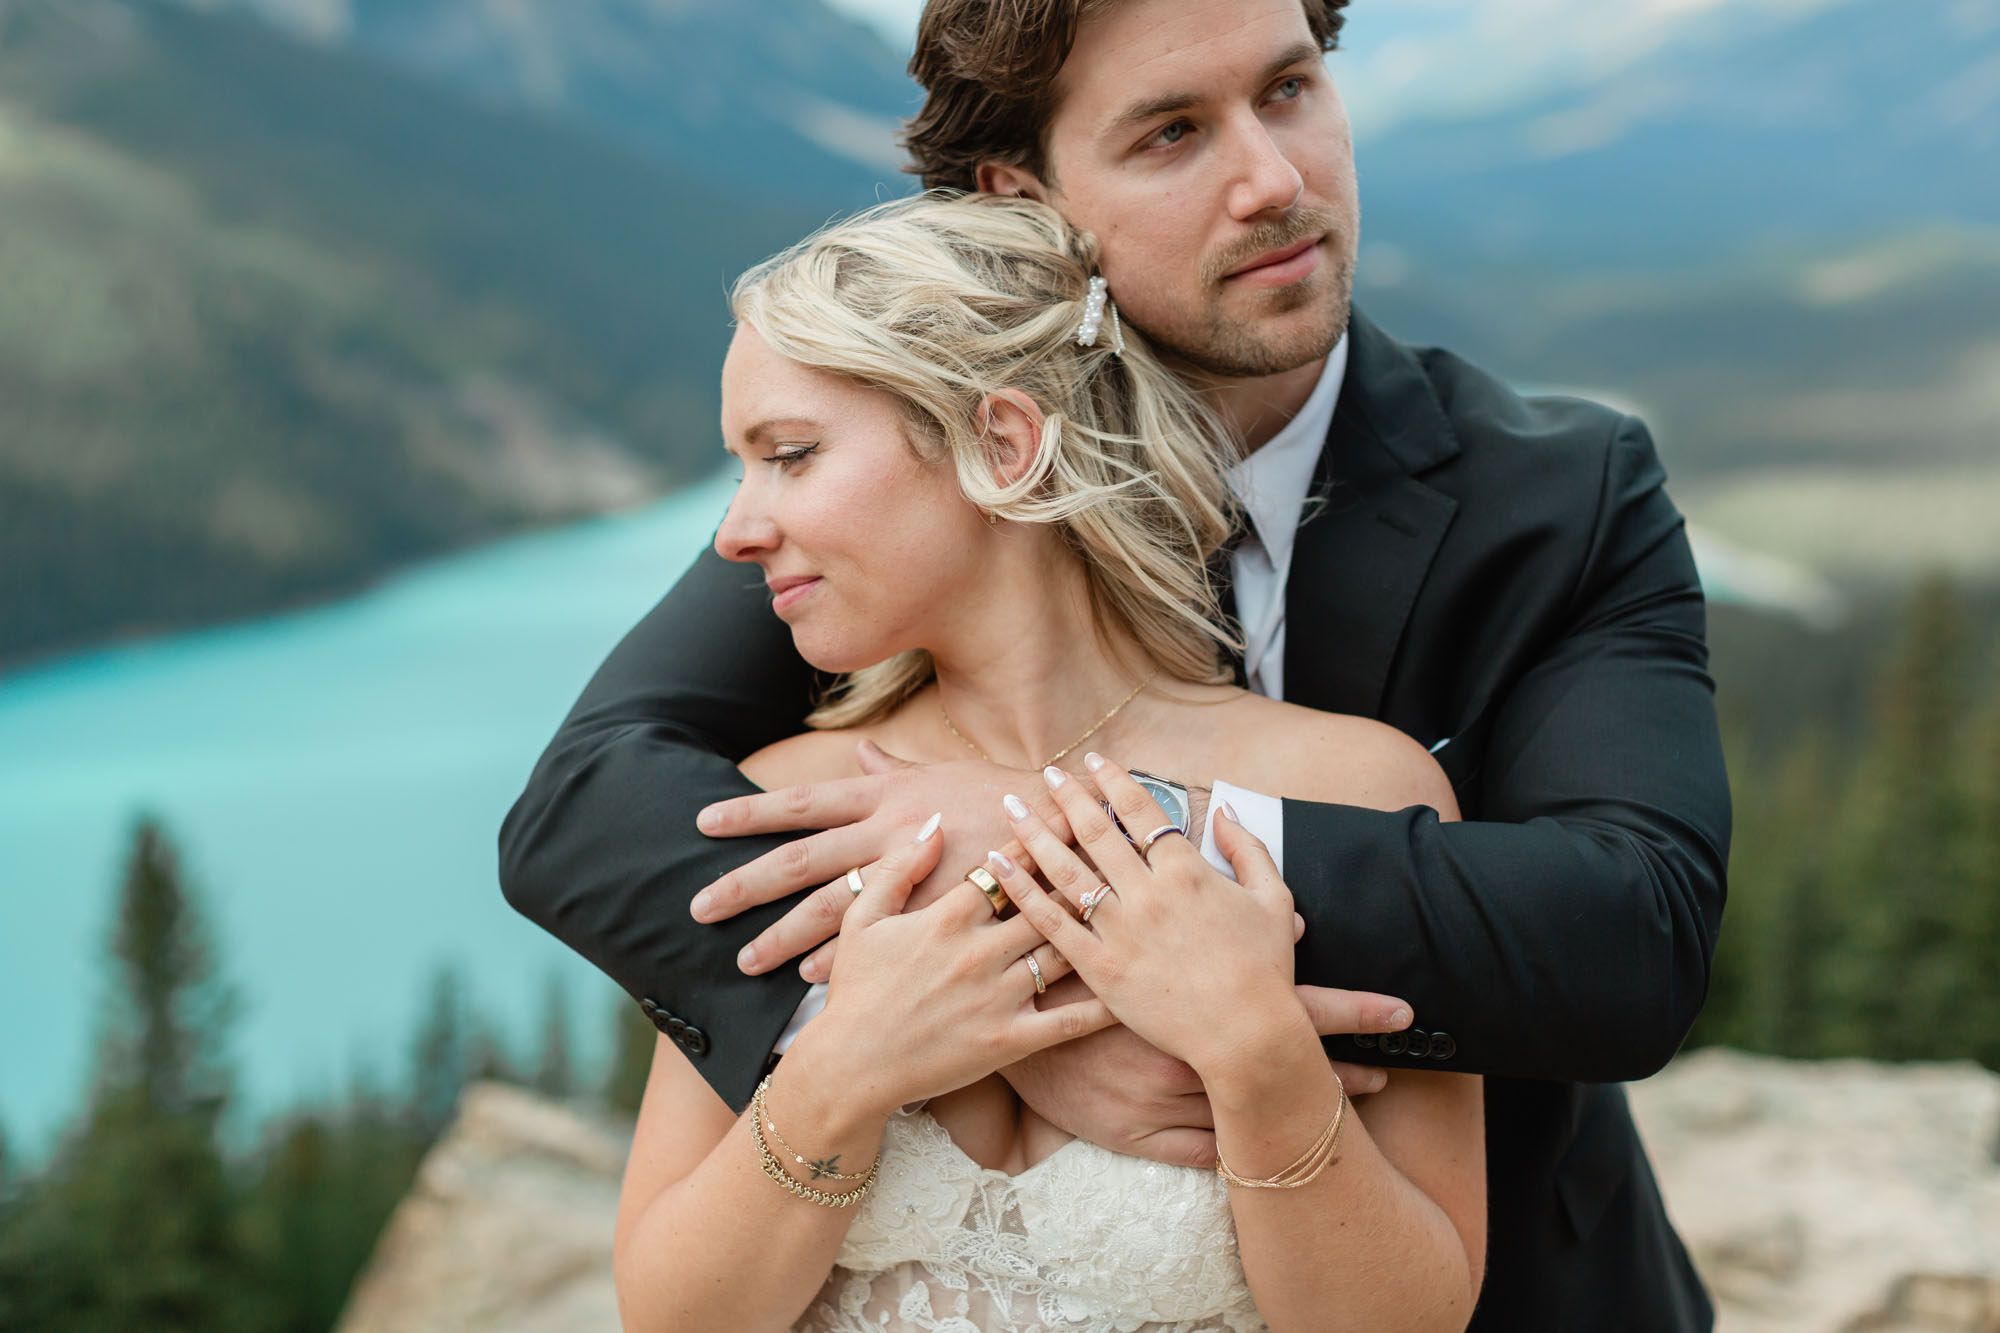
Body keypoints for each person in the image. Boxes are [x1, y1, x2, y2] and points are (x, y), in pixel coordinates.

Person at [503, 0, 1729, 1325]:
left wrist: (1113, 841)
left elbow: (1636, 931)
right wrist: (1009, 1014)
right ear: (1022, 198)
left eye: (1292, 91)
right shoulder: (915, 483)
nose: (1274, 178)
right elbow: (582, 809)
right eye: (1171, 133)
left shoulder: (1559, 494)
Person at [614, 190, 1485, 1333]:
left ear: (1002, 443)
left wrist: (1257, 1058)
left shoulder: (1355, 798)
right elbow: (670, 1319)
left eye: (789, 456)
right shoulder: (783, 808)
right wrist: (844, 1074)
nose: (735, 529)